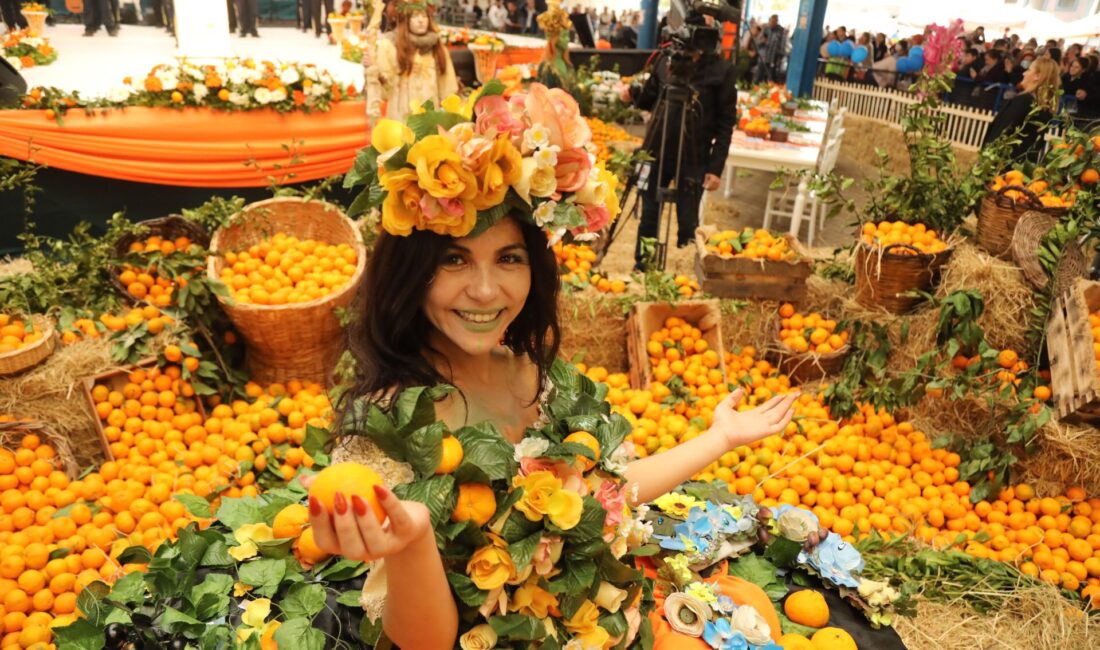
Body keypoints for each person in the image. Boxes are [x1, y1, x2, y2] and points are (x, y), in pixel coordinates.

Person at [306, 98, 799, 650]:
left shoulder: (542, 381)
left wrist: (720, 438)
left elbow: (611, 493)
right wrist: (413, 540)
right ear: (410, 273)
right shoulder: (390, 426)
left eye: (509, 259)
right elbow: (425, 642)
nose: (487, 291)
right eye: (453, 259)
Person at [620, 19, 738, 265]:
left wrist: (716, 168)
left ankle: (688, 275)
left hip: (695, 156)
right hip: (656, 149)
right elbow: (649, 98)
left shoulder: (721, 71)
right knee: (649, 216)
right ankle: (644, 268)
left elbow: (726, 124)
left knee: (688, 222)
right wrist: (631, 95)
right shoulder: (666, 61)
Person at [367, 1, 457, 121]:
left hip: (429, 120)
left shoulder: (437, 47)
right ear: (405, 19)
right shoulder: (390, 45)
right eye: (415, 16)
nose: (421, 20)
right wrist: (376, 73)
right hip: (400, 119)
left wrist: (449, 115)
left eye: (424, 16)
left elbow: (448, 88)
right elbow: (385, 91)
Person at [982, 57, 1060, 163]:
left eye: (1028, 70)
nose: (1024, 74)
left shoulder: (1024, 101)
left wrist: (985, 159)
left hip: (1000, 164)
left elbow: (1002, 131)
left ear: (1037, 76)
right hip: (1021, 167)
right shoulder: (1045, 108)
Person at [756, 14, 787, 83]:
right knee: (759, 76)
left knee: (770, 78)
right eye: (771, 21)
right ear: (769, 21)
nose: (772, 23)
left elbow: (782, 46)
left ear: (777, 22)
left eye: (774, 22)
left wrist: (779, 57)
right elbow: (757, 41)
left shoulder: (781, 31)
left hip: (773, 58)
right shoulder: (765, 29)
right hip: (763, 57)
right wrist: (762, 41)